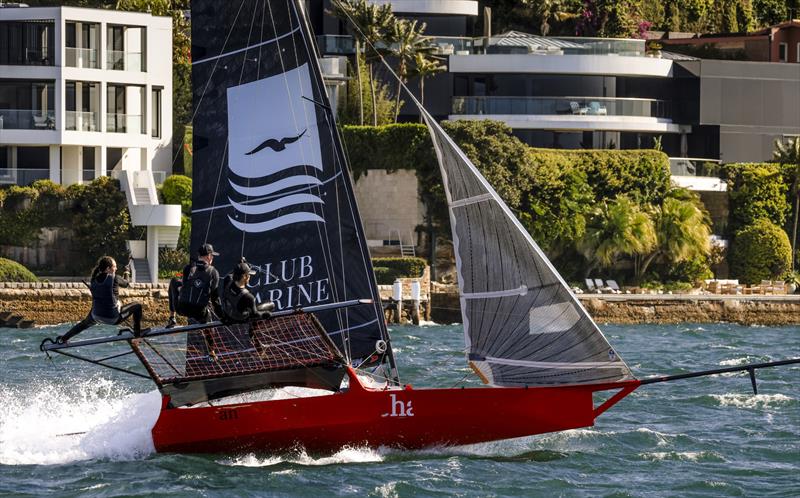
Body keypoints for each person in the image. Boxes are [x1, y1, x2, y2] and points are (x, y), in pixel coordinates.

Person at [57, 256, 143, 343]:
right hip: (113, 318)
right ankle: (137, 336)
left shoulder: (93, 280)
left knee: (84, 324)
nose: (116, 269)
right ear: (108, 269)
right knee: (137, 306)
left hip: (96, 316)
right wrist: (127, 272)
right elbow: (126, 284)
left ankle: (64, 338)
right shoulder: (115, 278)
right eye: (114, 267)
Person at [166, 243, 223, 326]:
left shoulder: (188, 268)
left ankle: (172, 318)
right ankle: (209, 333)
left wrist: (179, 289)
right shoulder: (214, 272)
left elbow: (184, 290)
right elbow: (215, 299)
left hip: (182, 309)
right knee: (205, 314)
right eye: (212, 256)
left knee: (174, 281)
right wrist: (222, 317)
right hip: (199, 312)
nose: (213, 258)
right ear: (208, 256)